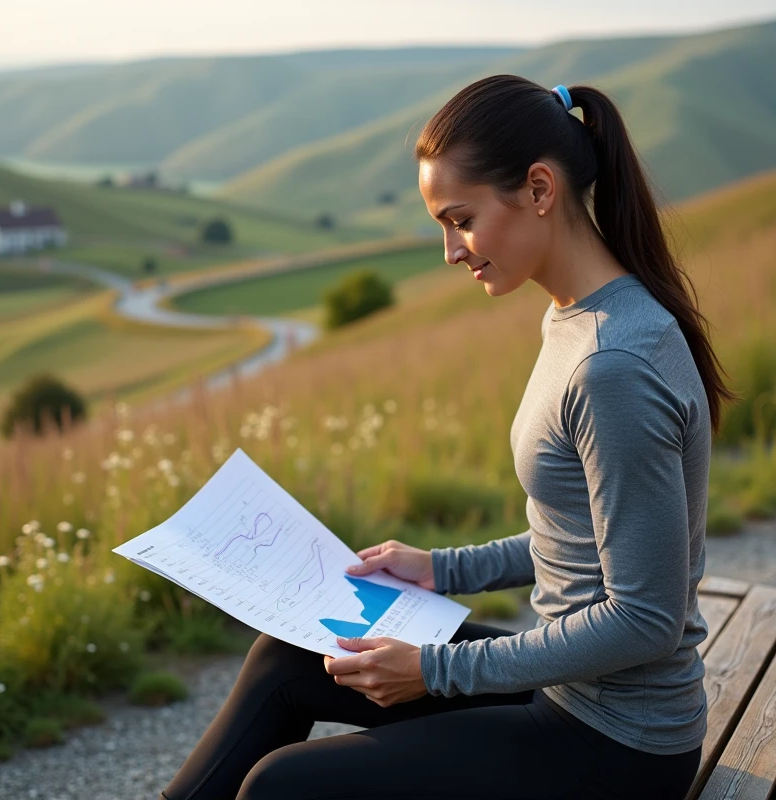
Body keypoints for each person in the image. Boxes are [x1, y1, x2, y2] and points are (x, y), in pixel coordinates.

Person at [160, 75, 737, 800]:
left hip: (616, 744)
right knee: (293, 658)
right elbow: (586, 536)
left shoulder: (612, 366)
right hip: (569, 693)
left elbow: (644, 620)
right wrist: (442, 569)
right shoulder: (580, 318)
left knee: (281, 786)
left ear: (539, 189)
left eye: (460, 220)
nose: (450, 251)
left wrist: (434, 670)